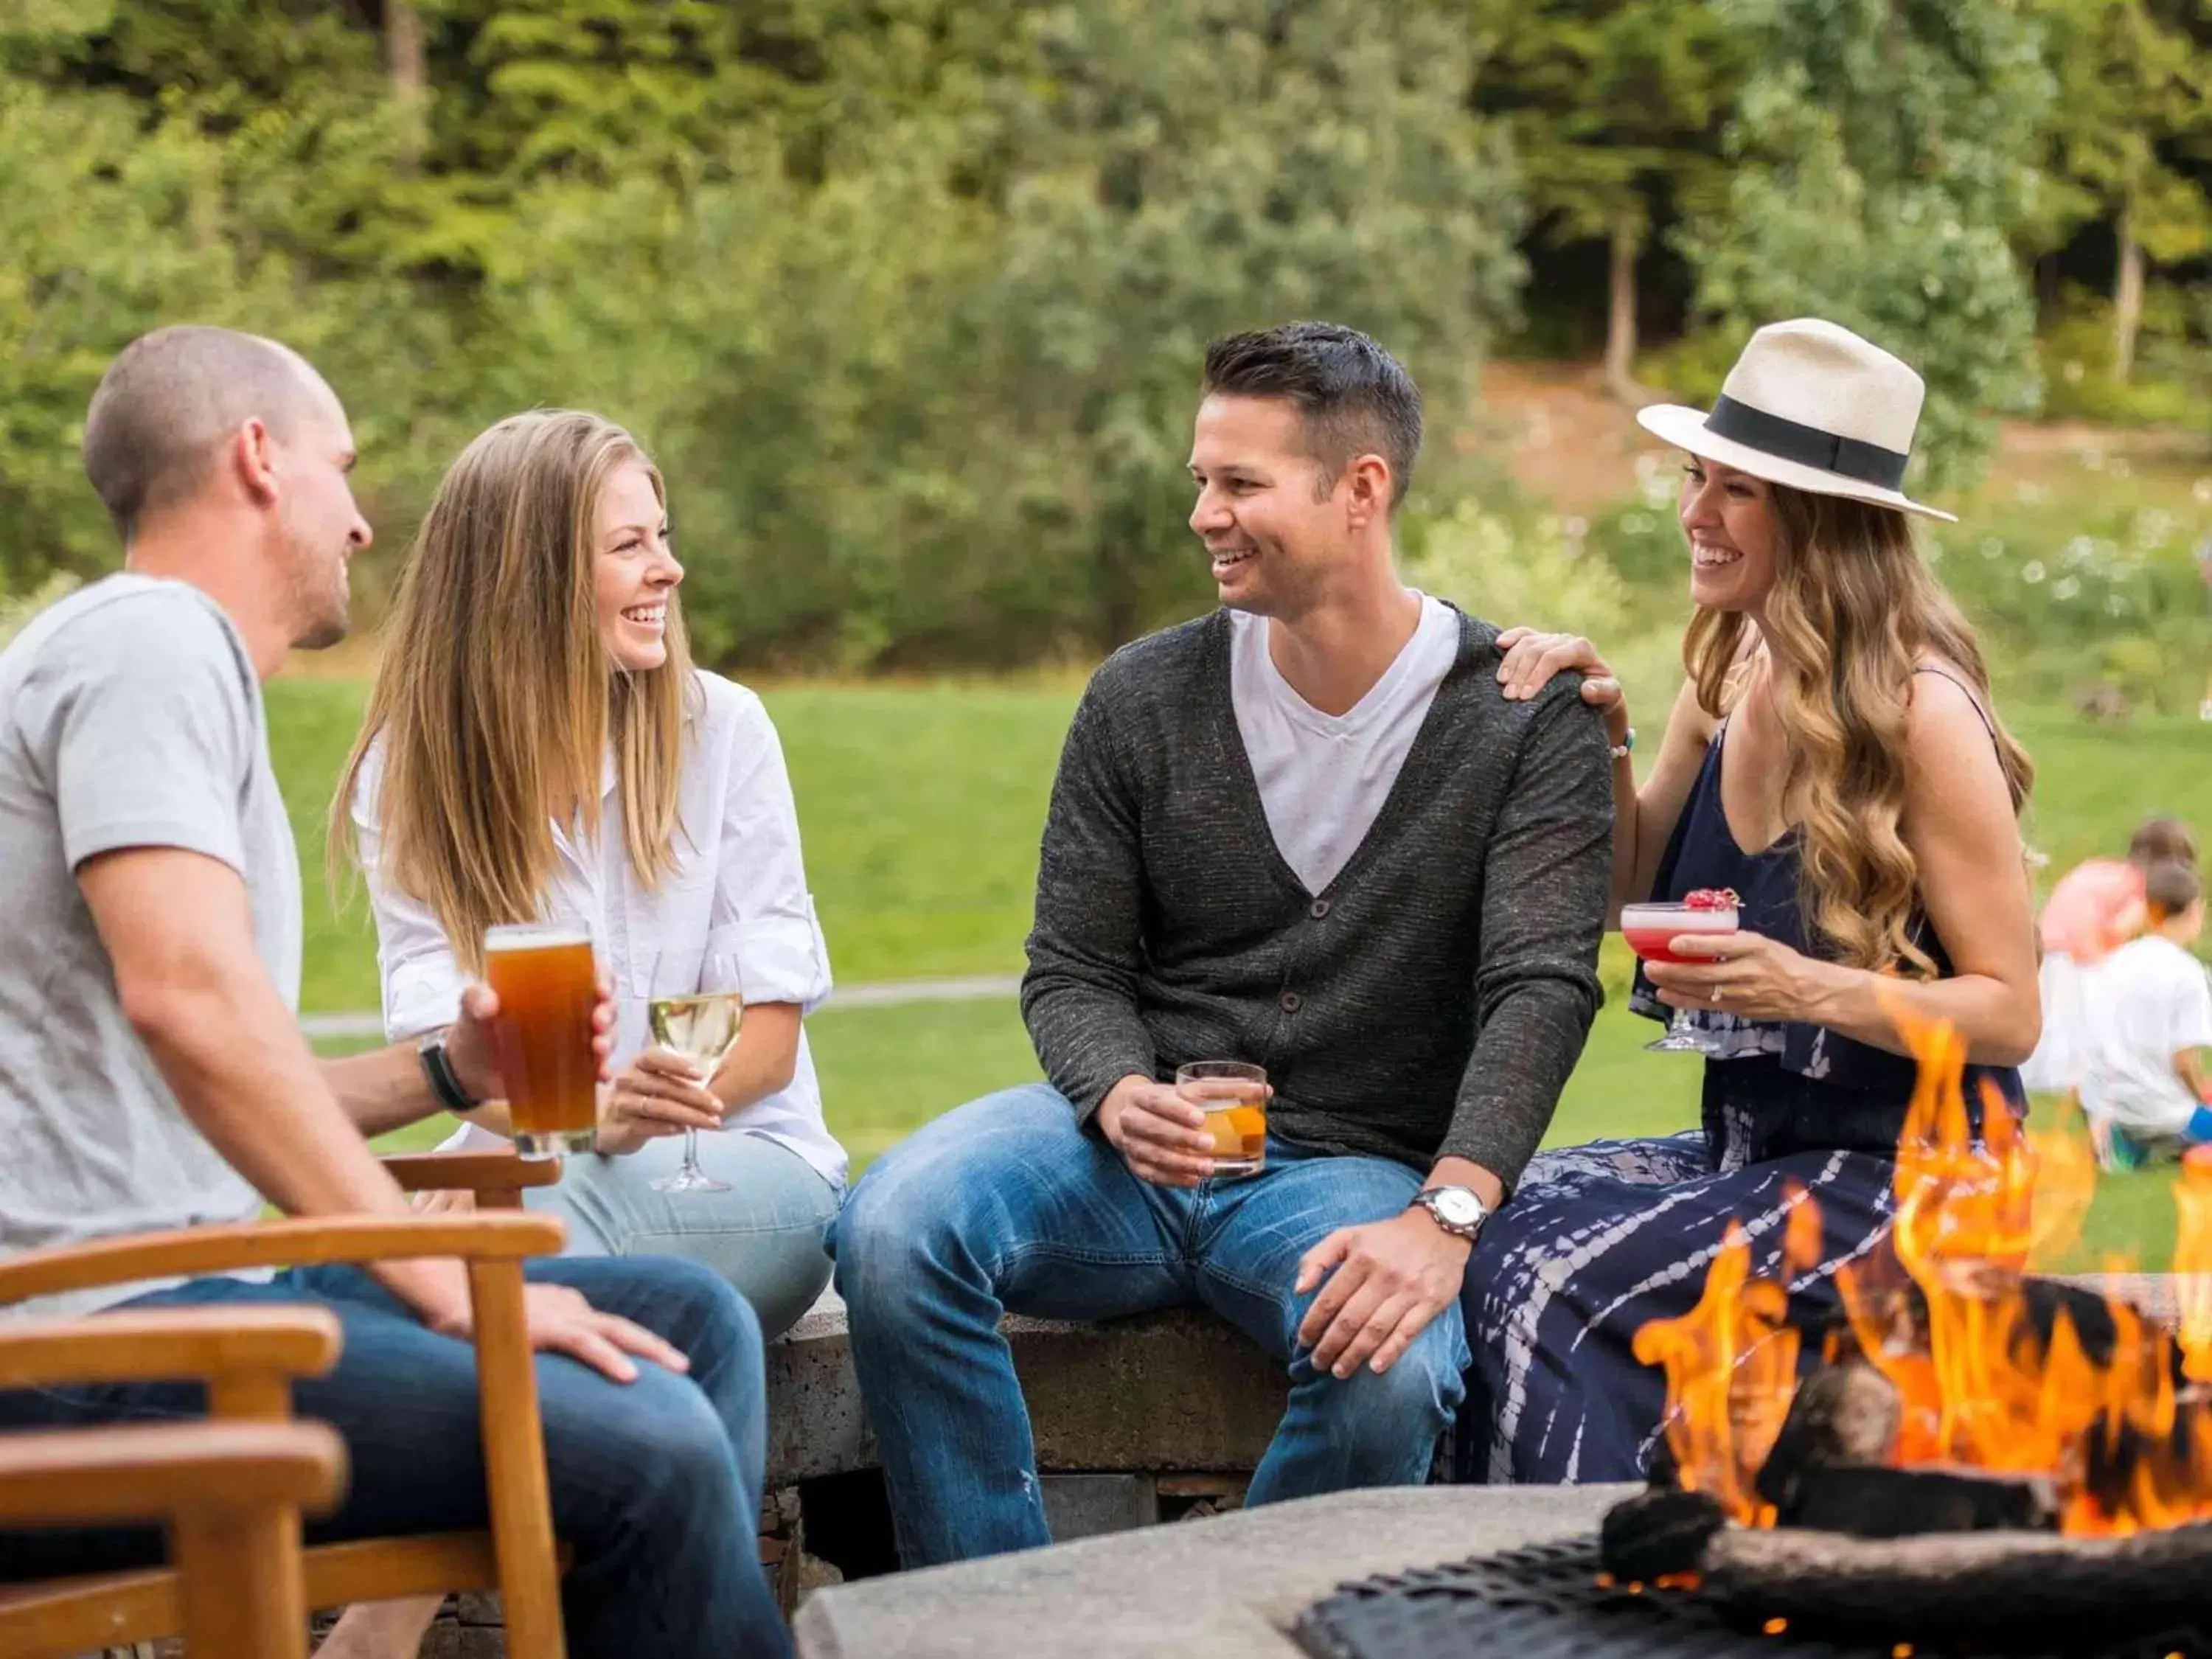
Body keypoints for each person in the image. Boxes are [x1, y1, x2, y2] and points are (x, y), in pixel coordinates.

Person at [0, 327, 791, 1659]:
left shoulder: (147, 662)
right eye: (342, 469)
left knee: (688, 1320)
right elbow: (188, 1006)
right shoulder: (153, 642)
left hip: (169, 1299)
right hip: (87, 1345)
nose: (363, 523)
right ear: (258, 460)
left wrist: (447, 1079)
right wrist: (437, 1283)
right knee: (644, 1440)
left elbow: (211, 1075)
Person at [830, 321, 1615, 1566]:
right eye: (1202, 478)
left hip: (1352, 1169)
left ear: (1360, 491)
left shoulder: (1523, 720)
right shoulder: (1140, 696)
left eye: (1240, 483)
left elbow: (1541, 987)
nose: (1205, 512)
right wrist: (1114, 1088)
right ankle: (991, 1619)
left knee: (1396, 1371)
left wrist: (1445, 1214)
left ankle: (1207, 1628)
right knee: (891, 1232)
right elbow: (1074, 966)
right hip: (1124, 1158)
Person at [1464, 317, 2039, 1484]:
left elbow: (2012, 1012)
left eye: (1740, 490)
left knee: (1549, 1280)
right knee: (1487, 1216)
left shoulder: (1922, 714)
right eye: (1698, 476)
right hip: (1756, 1149)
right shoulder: (1730, 667)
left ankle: (1591, 1588)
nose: (1696, 511)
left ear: (1821, 520)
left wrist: (1805, 988)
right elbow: (1630, 880)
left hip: (1921, 1180)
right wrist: (1604, 735)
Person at [331, 409, 843, 1335]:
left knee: (527, 1237)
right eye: (629, 545)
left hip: (741, 1162)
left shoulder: (721, 731)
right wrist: (558, 1141)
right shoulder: (410, 774)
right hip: (532, 1170)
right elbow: (446, 1052)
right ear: (532, 582)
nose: (669, 569)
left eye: (664, 537)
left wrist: (598, 1131)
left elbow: (765, 1050)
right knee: (375, 1274)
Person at [2021, 815, 2197, 1098]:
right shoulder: (2139, 887)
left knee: (2059, 1024)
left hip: (2050, 945)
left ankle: (2062, 1079)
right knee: (2092, 1024)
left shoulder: (2107, 871)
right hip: (2080, 951)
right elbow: (2118, 927)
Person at [2078, 860, 2212, 1169]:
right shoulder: (2187, 973)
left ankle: (2124, 1145)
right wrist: (2200, 1097)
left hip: (2108, 1104)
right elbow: (2184, 1062)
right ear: (2196, 909)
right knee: (2192, 1111)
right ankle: (2181, 1146)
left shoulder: (2112, 962)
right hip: (2162, 1112)